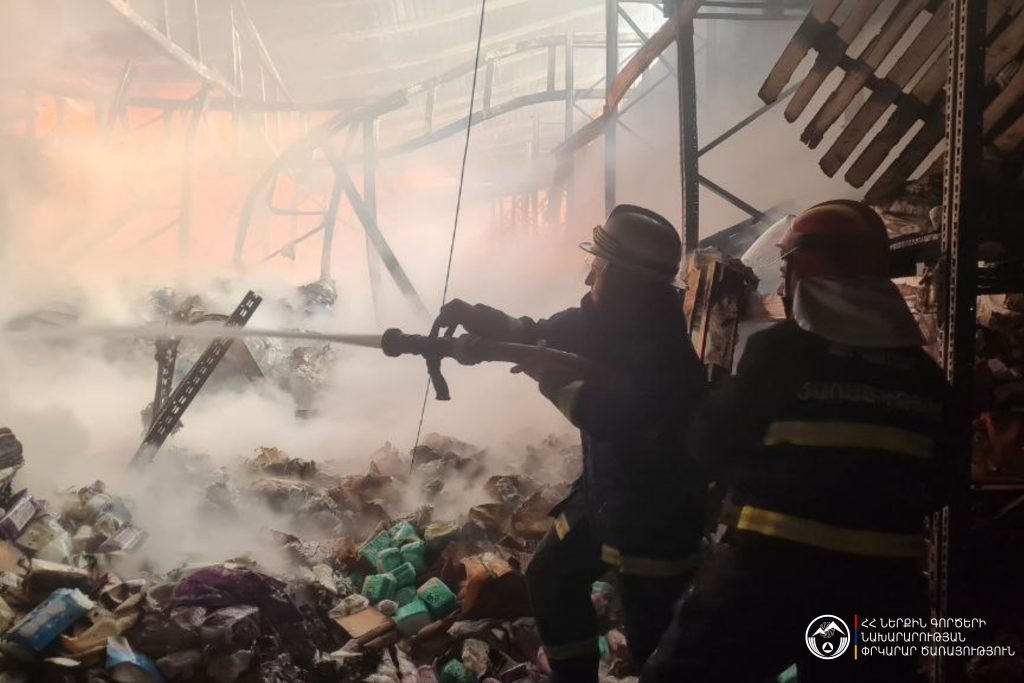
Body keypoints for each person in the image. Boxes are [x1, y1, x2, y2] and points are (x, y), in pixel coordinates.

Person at [642, 200, 951, 683]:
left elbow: (710, 443)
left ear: (802, 268)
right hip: (884, 591)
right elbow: (943, 482)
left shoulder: (783, 352)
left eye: (786, 265)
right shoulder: (926, 377)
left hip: (764, 579)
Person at [437, 204, 708, 683]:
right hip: (607, 496)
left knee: (652, 642)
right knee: (551, 575)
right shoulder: (604, 320)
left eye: (598, 268)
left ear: (626, 281)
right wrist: (477, 321)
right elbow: (534, 333)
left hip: (656, 517)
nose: (588, 277)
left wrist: (549, 377)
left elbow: (609, 416)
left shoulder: (662, 353)